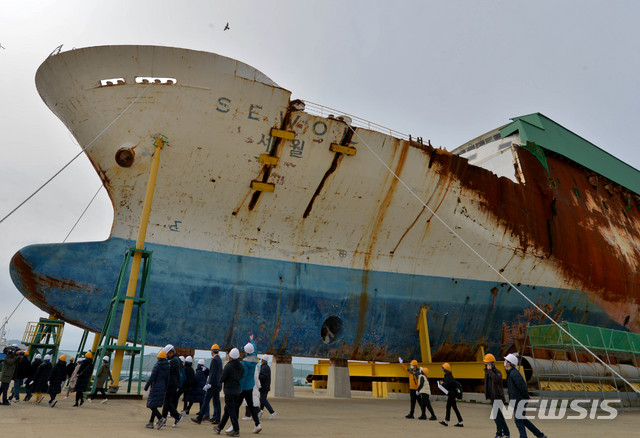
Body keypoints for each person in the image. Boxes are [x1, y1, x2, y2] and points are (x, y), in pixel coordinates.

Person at [504, 353, 547, 438]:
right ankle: (540, 435)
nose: (504, 362)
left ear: (509, 363)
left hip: (520, 400)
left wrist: (526, 396)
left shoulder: (514, 374)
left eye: (505, 361)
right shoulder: (511, 373)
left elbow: (522, 386)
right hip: (517, 400)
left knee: (518, 420)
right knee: (522, 419)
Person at [214, 348, 244, 436]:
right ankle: (219, 427)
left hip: (229, 391)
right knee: (228, 409)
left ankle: (236, 430)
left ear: (230, 356)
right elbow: (241, 374)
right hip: (236, 391)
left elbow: (222, 379)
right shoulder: (240, 366)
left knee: (231, 411)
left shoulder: (228, 366)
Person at [191, 343, 222, 424]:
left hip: (213, 384)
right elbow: (219, 372)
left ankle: (199, 418)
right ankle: (218, 419)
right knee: (217, 401)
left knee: (206, 400)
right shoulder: (219, 360)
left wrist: (209, 383)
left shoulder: (214, 360)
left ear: (212, 351)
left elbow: (213, 373)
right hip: (217, 384)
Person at [238, 337, 262, 433]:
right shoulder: (255, 358)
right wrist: (252, 340)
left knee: (235, 406)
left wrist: (240, 388)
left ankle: (233, 426)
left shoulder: (245, 362)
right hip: (250, 385)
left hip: (244, 387)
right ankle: (257, 424)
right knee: (251, 406)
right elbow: (255, 349)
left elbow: (243, 377)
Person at [484, 353, 510, 438]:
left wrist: (490, 370)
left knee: (496, 416)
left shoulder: (497, 372)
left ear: (492, 364)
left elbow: (496, 380)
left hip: (498, 397)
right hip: (492, 397)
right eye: (485, 364)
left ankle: (499, 433)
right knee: (499, 416)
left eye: (488, 363)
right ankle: (506, 432)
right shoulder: (487, 372)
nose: (486, 365)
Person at [158, 344, 183, 429]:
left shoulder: (174, 361)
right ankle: (163, 419)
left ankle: (177, 416)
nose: (166, 356)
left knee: (167, 402)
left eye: (167, 354)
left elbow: (169, 372)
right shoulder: (177, 359)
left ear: (171, 352)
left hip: (172, 383)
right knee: (167, 401)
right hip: (173, 383)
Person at [144, 350, 170, 429]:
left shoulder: (157, 366)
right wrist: (166, 388)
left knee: (151, 405)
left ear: (158, 358)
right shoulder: (167, 366)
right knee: (154, 405)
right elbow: (168, 379)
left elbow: (152, 377)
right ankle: (151, 422)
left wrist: (146, 387)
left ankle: (161, 418)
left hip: (155, 387)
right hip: (163, 388)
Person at [439, 362, 463, 427]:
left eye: (443, 369)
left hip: (451, 394)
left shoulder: (448, 377)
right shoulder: (450, 376)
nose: (443, 370)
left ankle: (446, 421)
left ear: (445, 370)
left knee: (449, 407)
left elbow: (447, 385)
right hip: (452, 394)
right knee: (454, 408)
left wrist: (442, 383)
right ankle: (460, 422)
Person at [258, 354, 276, 420]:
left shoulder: (264, 368)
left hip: (264, 386)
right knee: (262, 399)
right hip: (265, 386)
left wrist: (258, 377)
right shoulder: (266, 367)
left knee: (263, 399)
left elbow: (264, 377)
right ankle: (260, 412)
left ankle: (272, 412)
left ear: (263, 360)